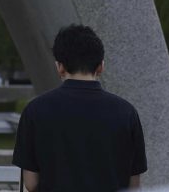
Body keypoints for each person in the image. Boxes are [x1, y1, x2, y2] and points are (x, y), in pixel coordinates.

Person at [13, 24, 147, 192]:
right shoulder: (127, 112)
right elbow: (134, 184)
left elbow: (31, 183)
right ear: (101, 66)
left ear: (60, 67)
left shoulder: (35, 110)